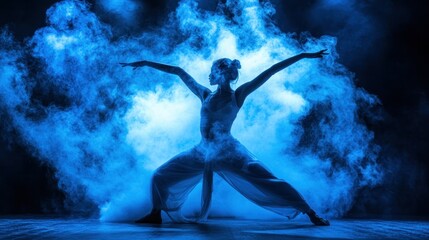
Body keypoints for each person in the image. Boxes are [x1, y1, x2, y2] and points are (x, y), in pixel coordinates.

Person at [120, 50, 330, 226]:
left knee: (269, 180)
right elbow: (178, 72)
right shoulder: (204, 94)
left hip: (229, 151)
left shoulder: (238, 94)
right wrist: (146, 62)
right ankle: (156, 213)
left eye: (212, 71)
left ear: (221, 73)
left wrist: (302, 55)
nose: (209, 74)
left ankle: (310, 212)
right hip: (202, 151)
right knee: (160, 175)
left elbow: (271, 71)